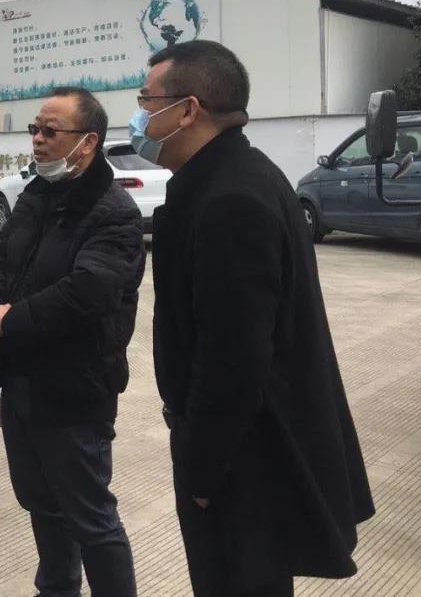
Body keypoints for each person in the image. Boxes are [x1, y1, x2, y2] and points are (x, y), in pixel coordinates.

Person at [134, 41, 374, 597]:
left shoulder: (230, 199)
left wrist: (201, 469)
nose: (140, 115)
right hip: (241, 448)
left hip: (242, 459)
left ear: (188, 110)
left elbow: (233, 358)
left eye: (147, 100)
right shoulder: (238, 174)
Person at [0, 87, 144, 597]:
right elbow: (0, 257)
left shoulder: (113, 212)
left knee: (91, 517)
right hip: (22, 382)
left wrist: (13, 320)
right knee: (42, 505)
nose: (38, 140)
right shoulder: (36, 196)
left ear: (87, 142)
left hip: (74, 390)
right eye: (35, 129)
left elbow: (87, 293)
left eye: (51, 131)